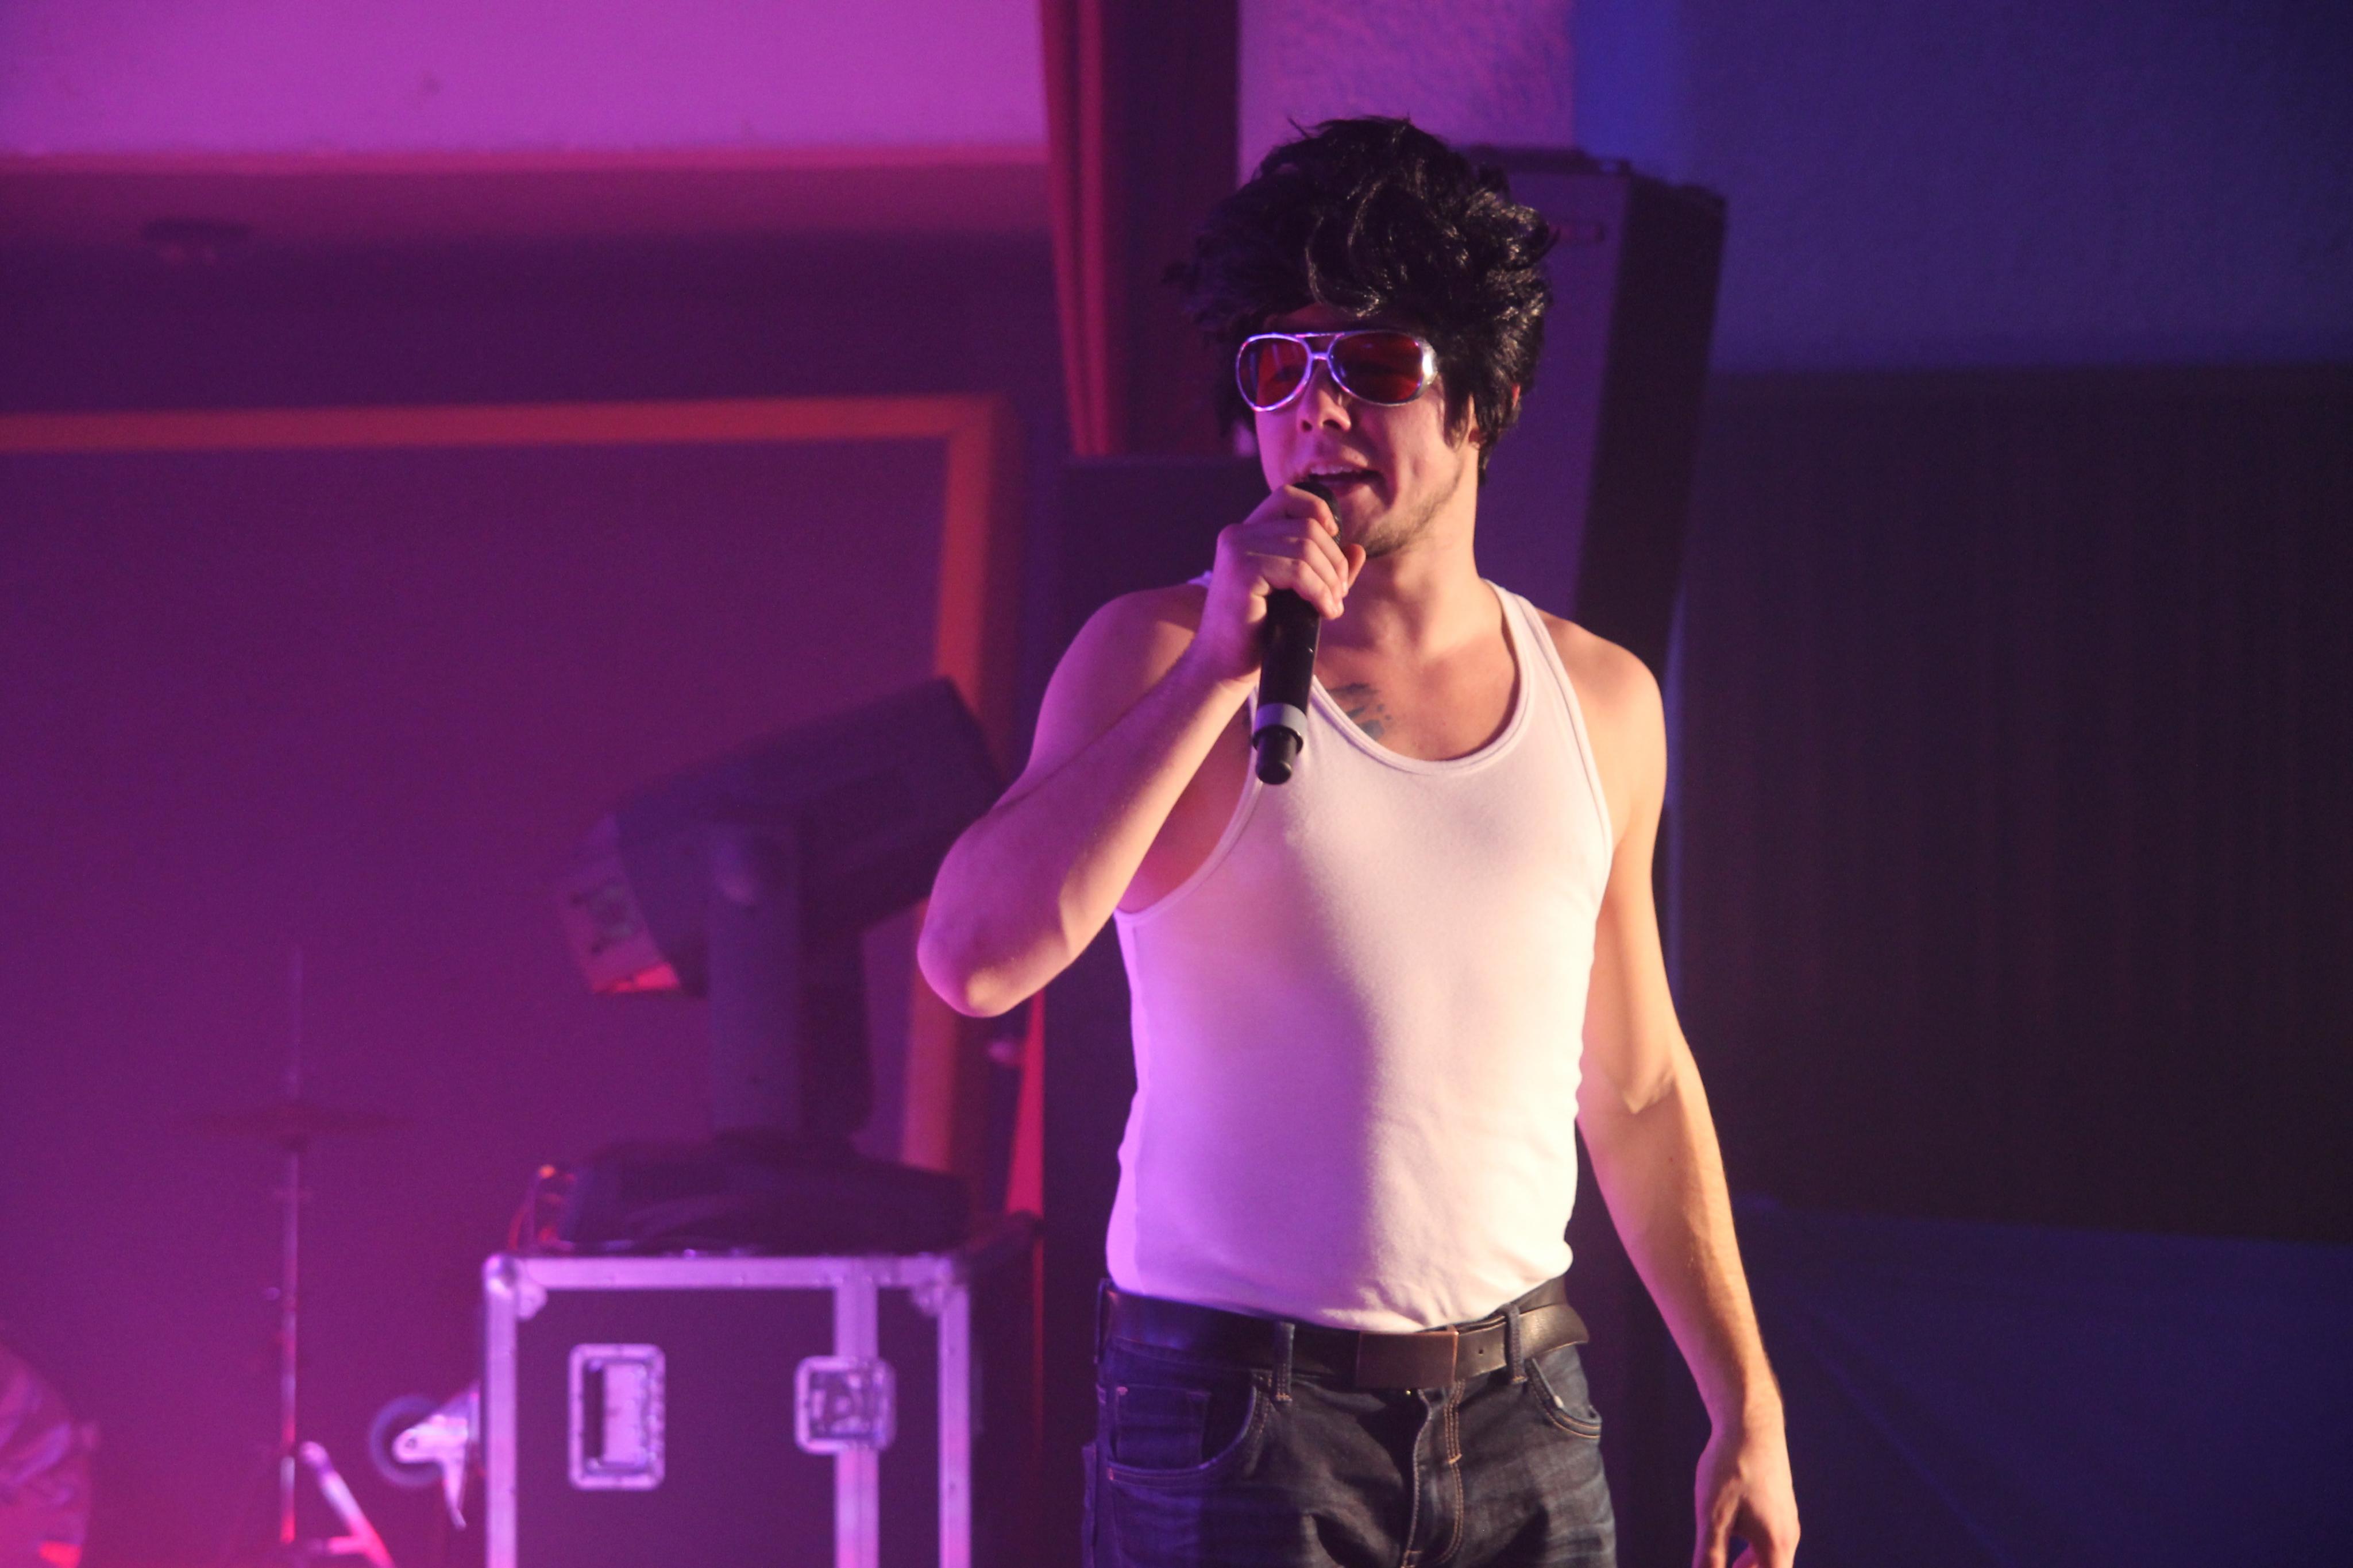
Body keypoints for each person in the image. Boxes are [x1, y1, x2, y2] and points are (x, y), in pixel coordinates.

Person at [919, 117, 1797, 1568]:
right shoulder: (1155, 655)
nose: (1316, 410)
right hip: (1234, 1415)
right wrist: (1214, 673)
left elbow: (1637, 1085)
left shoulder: (1599, 700)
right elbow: (971, 962)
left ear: (1485, 399)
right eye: (1278, 368)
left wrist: (1744, 1403)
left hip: (1526, 1411)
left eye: (1374, 365)